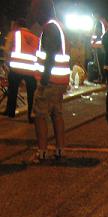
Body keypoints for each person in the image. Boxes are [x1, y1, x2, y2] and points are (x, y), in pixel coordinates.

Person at [30, 0, 71, 163]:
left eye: (34, 10)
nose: (33, 14)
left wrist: (44, 80)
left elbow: (50, 56)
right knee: (56, 113)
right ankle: (60, 150)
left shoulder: (50, 28)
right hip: (60, 80)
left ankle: (42, 152)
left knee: (39, 115)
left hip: (50, 81)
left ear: (41, 11)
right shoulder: (59, 26)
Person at [4, 19, 38, 122]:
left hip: (16, 68)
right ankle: (31, 116)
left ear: (17, 25)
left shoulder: (14, 34)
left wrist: (7, 63)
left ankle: (10, 113)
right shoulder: (35, 37)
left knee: (13, 91)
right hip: (31, 70)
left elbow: (7, 50)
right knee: (31, 94)